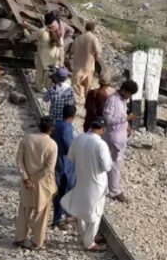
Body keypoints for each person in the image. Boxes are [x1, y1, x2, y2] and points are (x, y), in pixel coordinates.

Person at [61, 117, 113, 250]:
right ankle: (90, 243)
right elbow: (107, 167)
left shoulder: (79, 138)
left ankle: (86, 237)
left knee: (82, 210)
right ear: (102, 129)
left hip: (82, 179)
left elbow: (70, 157)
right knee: (95, 213)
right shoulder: (101, 144)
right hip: (97, 183)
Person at [14, 116, 58, 250]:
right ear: (51, 129)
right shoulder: (52, 145)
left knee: (24, 210)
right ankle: (37, 241)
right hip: (42, 183)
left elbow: (19, 160)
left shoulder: (27, 139)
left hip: (27, 182)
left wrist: (26, 178)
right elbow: (49, 168)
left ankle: (20, 238)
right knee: (41, 214)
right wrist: (34, 179)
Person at [102, 79, 139, 203]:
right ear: (124, 90)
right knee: (115, 164)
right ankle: (115, 191)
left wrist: (127, 125)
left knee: (114, 163)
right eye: (129, 93)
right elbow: (108, 119)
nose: (129, 96)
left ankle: (109, 188)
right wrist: (126, 118)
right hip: (113, 136)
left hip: (120, 136)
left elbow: (122, 115)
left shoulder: (123, 100)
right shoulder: (112, 100)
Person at [51, 105, 76, 230]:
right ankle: (59, 218)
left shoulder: (56, 125)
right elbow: (69, 147)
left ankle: (61, 215)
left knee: (59, 191)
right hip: (65, 164)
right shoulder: (67, 128)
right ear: (73, 116)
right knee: (64, 191)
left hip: (56, 161)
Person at [70, 22, 102, 100]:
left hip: (77, 66)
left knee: (75, 87)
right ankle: (85, 104)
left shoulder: (78, 38)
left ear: (86, 28)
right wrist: (95, 58)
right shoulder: (94, 39)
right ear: (93, 29)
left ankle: (75, 103)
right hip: (89, 66)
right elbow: (98, 51)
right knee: (87, 88)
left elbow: (72, 51)